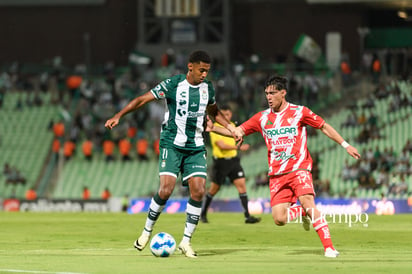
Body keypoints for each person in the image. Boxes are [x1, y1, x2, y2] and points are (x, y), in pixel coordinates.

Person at [207, 75, 361, 258]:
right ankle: (302, 210)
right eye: (266, 94)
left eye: (272, 93)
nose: (269, 97)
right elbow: (237, 131)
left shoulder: (299, 112)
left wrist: (346, 145)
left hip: (299, 168)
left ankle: (329, 247)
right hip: (277, 175)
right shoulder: (262, 118)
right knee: (279, 219)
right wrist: (214, 128)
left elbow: (324, 127)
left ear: (283, 92)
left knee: (308, 201)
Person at [104, 50, 237, 258]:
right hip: (172, 144)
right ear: (190, 66)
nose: (204, 74)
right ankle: (146, 232)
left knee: (199, 191)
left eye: (207, 71)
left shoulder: (207, 89)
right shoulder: (174, 84)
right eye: (201, 70)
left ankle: (186, 241)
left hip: (196, 146)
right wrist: (119, 115)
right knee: (165, 190)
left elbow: (214, 112)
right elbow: (142, 99)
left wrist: (231, 128)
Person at [201, 105, 261, 224]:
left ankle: (247, 216)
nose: (226, 117)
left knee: (242, 186)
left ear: (231, 114)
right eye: (223, 115)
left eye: (228, 114)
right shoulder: (215, 127)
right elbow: (220, 145)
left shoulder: (233, 126)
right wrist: (238, 147)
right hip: (221, 162)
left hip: (233, 161)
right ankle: (203, 213)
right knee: (213, 189)